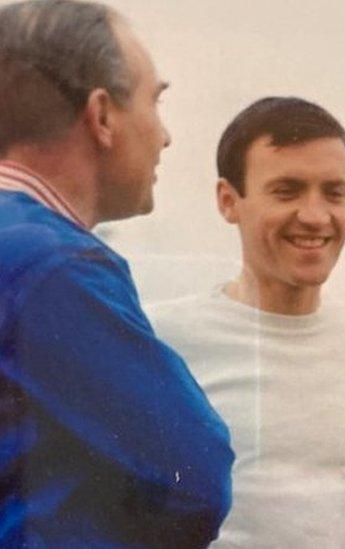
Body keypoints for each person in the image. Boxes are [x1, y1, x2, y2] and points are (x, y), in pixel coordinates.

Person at [149, 97, 345, 548]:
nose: (316, 216)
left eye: (334, 193)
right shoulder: (164, 339)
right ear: (228, 201)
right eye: (287, 190)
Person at [0, 0, 233, 546]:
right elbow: (196, 477)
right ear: (102, 116)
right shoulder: (53, 264)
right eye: (155, 100)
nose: (166, 136)